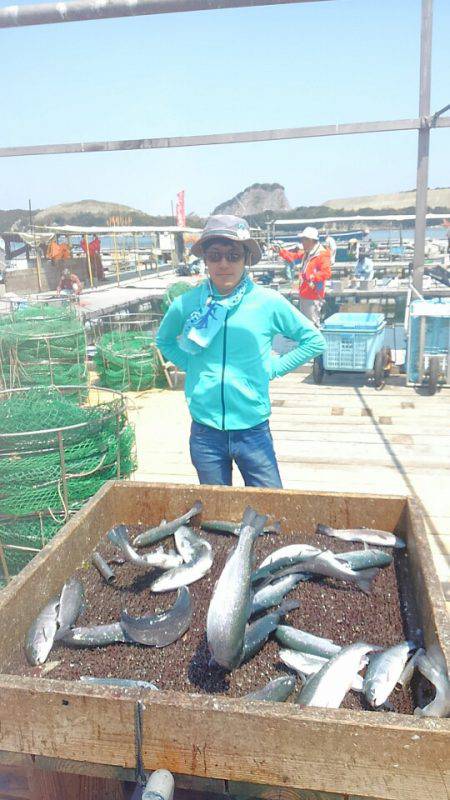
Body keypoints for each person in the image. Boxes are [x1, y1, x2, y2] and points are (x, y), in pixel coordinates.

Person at [157, 214, 325, 489]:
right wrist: (193, 366)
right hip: (205, 431)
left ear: (246, 258)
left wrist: (274, 367)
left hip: (252, 430)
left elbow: (314, 340)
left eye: (233, 255)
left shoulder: (268, 302)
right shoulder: (185, 303)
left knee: (270, 516)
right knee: (216, 519)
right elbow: (164, 341)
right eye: (215, 255)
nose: (224, 263)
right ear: (205, 260)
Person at [297, 226, 331, 327]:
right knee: (307, 325)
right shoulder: (307, 254)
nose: (302, 242)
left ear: (311, 240)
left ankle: (314, 342)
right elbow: (293, 256)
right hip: (305, 294)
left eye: (304, 239)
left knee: (312, 325)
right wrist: (281, 252)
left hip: (313, 296)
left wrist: (312, 276)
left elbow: (326, 273)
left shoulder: (321, 254)